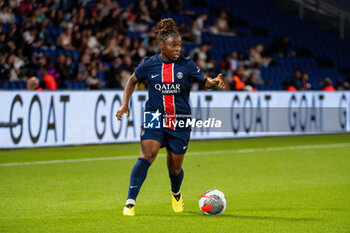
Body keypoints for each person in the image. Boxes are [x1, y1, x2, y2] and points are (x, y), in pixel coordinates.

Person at [116, 18, 225, 216]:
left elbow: (204, 82)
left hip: (180, 119)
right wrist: (125, 104)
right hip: (154, 115)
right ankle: (130, 203)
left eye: (179, 45)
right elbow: (131, 81)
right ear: (161, 46)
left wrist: (214, 82)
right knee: (147, 155)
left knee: (175, 168)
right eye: (173, 45)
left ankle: (176, 193)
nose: (177, 49)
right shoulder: (149, 64)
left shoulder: (187, 64)